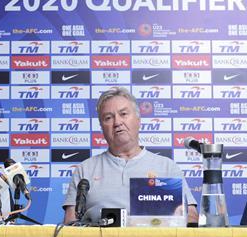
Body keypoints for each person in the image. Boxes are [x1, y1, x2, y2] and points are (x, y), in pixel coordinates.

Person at [63, 87, 197, 224]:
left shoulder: (167, 167)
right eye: (108, 118)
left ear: (138, 120)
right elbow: (70, 223)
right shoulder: (85, 169)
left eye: (123, 114)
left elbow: (191, 218)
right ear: (102, 127)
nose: (117, 122)